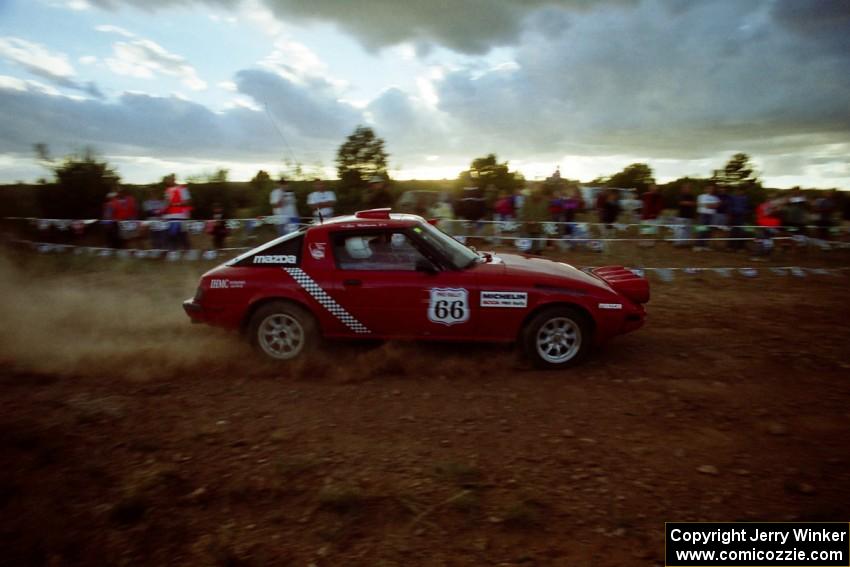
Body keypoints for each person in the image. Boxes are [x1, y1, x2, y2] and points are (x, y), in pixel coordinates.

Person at [163, 174, 193, 250]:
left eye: (168, 180)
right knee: (172, 234)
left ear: (173, 180)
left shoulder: (182, 188)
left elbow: (187, 201)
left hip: (181, 214)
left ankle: (187, 250)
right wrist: (164, 212)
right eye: (166, 181)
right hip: (170, 215)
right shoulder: (167, 190)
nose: (167, 182)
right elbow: (166, 203)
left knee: (182, 234)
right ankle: (174, 251)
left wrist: (175, 204)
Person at [694, 184, 719, 251]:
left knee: (708, 231)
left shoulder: (715, 198)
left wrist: (707, 205)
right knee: (701, 230)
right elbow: (700, 204)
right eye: (709, 188)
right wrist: (710, 205)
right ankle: (697, 245)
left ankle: (705, 245)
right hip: (703, 215)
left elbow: (716, 206)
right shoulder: (701, 196)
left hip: (711, 215)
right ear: (705, 189)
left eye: (712, 189)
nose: (711, 190)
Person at [727, 187, 751, 252]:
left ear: (743, 191)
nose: (739, 192)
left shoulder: (745, 198)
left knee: (741, 232)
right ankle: (730, 247)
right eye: (738, 190)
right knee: (733, 232)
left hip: (742, 217)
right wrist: (730, 215)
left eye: (741, 191)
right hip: (733, 216)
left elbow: (747, 207)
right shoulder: (732, 197)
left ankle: (740, 247)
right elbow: (730, 206)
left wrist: (745, 214)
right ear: (736, 191)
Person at [676, 183, 697, 247]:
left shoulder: (692, 196)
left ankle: (686, 243)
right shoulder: (680, 195)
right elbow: (682, 202)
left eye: (688, 188)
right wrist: (690, 203)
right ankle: (679, 243)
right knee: (681, 230)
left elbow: (695, 204)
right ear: (682, 189)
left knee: (688, 230)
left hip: (690, 216)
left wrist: (690, 203)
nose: (687, 189)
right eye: (685, 188)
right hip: (682, 216)